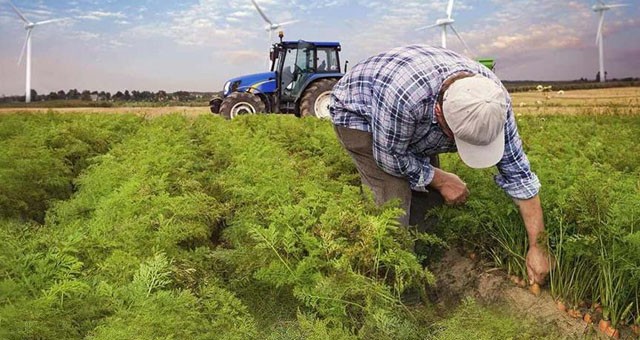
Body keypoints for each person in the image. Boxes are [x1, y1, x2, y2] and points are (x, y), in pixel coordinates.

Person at [329, 44, 550, 284]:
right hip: (360, 114)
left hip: (410, 116)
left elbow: (519, 175)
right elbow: (390, 158)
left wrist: (538, 246)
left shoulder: (493, 102)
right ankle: (395, 283)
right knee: (393, 202)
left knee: (428, 197)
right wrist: (442, 179)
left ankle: (427, 263)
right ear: (439, 113)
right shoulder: (404, 98)